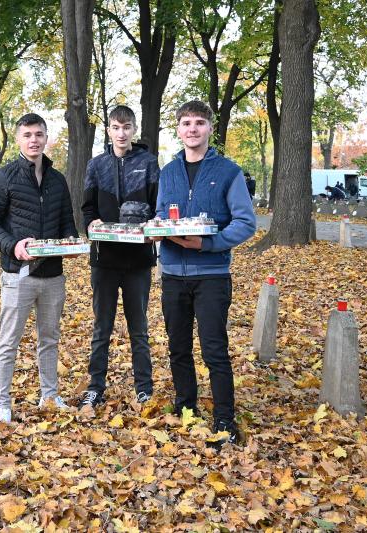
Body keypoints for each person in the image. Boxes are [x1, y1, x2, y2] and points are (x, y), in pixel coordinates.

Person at [153, 100, 255, 448]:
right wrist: (156, 229)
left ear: (210, 128)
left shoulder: (229, 171)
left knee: (214, 349)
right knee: (178, 347)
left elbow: (245, 222)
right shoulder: (167, 172)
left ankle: (224, 418)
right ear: (178, 130)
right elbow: (161, 215)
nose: (192, 129)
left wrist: (208, 244)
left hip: (211, 274)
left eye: (199, 122)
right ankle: (186, 407)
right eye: (186, 123)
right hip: (171, 273)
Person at [0, 112, 78, 423]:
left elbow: (67, 225)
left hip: (52, 277)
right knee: (8, 340)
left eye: (39, 134)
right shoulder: (3, 177)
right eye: (27, 135)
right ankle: (2, 403)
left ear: (46, 137)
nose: (34, 140)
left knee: (49, 338)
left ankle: (49, 395)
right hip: (17, 275)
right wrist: (13, 246)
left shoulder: (57, 180)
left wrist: (71, 244)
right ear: (19, 139)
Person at [79, 105, 159, 410]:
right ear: (109, 131)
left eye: (126, 127)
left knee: (139, 327)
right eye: (115, 127)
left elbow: (158, 206)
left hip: (138, 260)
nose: (121, 133)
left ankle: (144, 388)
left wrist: (154, 224)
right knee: (102, 327)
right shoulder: (96, 165)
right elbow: (87, 207)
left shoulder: (149, 163)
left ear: (134, 129)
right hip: (105, 259)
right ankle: (95, 387)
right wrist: (91, 223)